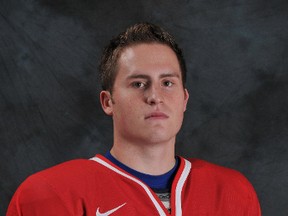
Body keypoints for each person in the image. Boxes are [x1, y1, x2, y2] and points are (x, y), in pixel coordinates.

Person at [7, 22, 261, 216]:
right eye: (138, 83)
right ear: (108, 102)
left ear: (184, 99)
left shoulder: (233, 193)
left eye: (167, 83)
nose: (155, 96)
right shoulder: (49, 194)